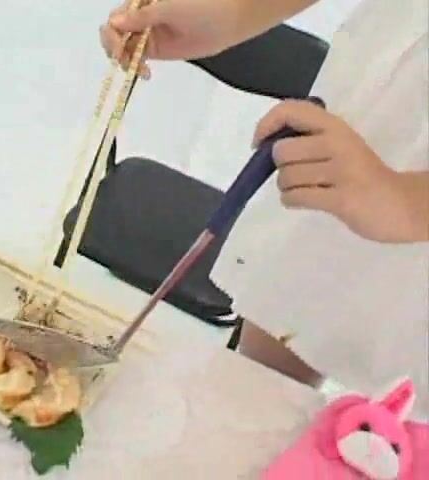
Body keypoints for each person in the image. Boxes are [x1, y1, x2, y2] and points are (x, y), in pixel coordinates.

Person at [101, 0, 429, 418]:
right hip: (357, 141)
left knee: (403, 434)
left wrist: (406, 201)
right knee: (247, 402)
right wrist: (235, 13)